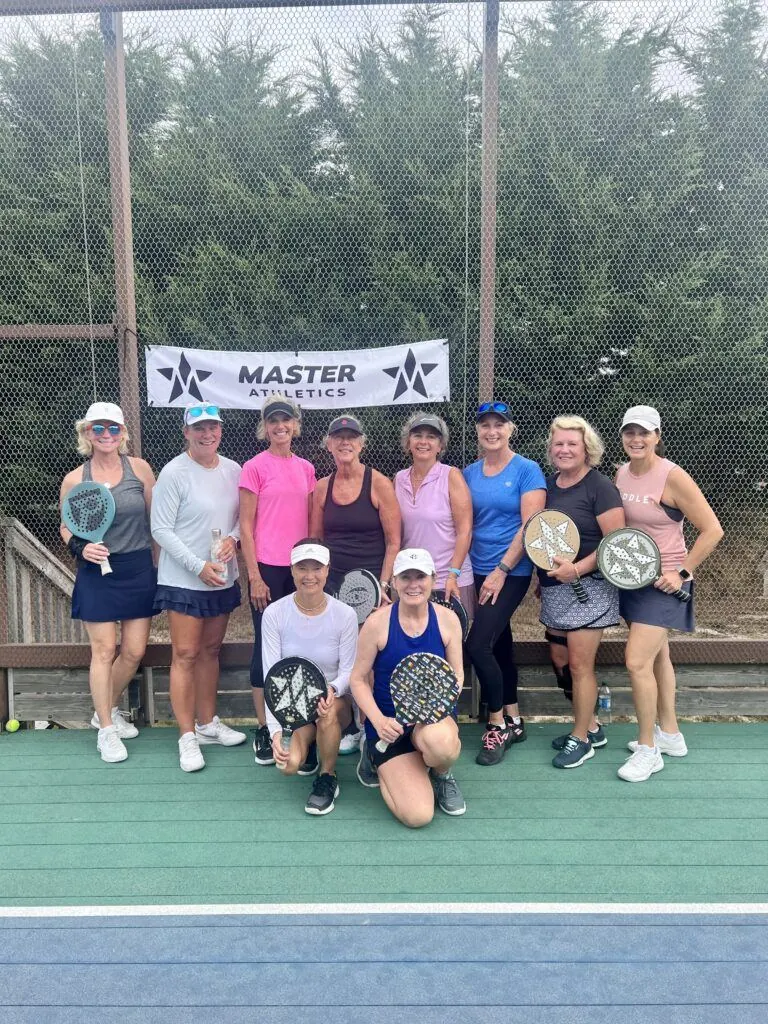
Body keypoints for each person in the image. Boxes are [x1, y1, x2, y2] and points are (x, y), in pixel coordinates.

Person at [615, 405, 723, 783]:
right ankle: (671, 734)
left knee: (635, 662)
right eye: (630, 432)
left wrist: (681, 572)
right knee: (658, 656)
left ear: (657, 437)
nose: (636, 439)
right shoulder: (621, 473)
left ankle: (649, 750)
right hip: (632, 581)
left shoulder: (672, 476)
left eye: (644, 433)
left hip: (665, 584)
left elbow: (712, 529)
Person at [151, 404, 246, 773]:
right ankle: (187, 736)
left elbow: (239, 518)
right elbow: (160, 529)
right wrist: (197, 566)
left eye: (213, 427)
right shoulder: (174, 473)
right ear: (186, 432)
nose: (207, 434)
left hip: (221, 576)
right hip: (184, 579)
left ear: (221, 430)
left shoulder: (233, 469)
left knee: (210, 650)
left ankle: (208, 724)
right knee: (186, 654)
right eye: (199, 428)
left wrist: (235, 540)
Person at [60, 401, 156, 764]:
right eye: (98, 428)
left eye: (113, 429)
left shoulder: (141, 470)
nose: (106, 435)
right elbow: (66, 525)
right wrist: (80, 548)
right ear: (87, 433)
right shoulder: (75, 479)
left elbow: (155, 523)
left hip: (138, 569)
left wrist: (159, 569)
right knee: (103, 651)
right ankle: (106, 729)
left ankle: (107, 708)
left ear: (122, 434)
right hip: (96, 573)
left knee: (133, 651)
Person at [351, 548, 466, 827]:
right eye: (406, 577)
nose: (413, 584)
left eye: (420, 577)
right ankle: (378, 757)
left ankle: (441, 775)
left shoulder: (448, 620)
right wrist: (379, 722)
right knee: (418, 816)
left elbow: (458, 676)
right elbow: (357, 679)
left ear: (433, 579)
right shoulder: (377, 623)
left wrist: (430, 709)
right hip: (388, 728)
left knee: (442, 745)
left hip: (431, 721)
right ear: (394, 580)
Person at [536, 416, 626, 769]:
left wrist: (577, 568)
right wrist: (538, 580)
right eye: (558, 444)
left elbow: (614, 542)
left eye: (572, 444)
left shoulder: (600, 487)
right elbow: (542, 536)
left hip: (590, 589)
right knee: (560, 661)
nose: (564, 449)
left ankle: (581, 739)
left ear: (587, 448)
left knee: (579, 664)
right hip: (555, 589)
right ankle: (592, 726)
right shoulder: (549, 486)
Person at [463, 401, 546, 766]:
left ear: (511, 429)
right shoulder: (468, 473)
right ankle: (514, 716)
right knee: (499, 643)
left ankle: (496, 724)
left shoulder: (527, 470)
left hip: (510, 571)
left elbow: (531, 525)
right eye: (485, 425)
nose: (492, 431)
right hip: (476, 569)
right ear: (478, 432)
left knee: (478, 644)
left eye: (499, 424)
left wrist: (502, 568)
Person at [239, 394, 316, 767]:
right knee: (265, 649)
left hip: (300, 570)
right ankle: (262, 726)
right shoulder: (253, 467)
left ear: (296, 426)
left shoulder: (306, 468)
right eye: (273, 421)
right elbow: (247, 528)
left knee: (300, 644)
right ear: (265, 427)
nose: (280, 426)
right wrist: (254, 575)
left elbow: (311, 523)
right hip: (267, 570)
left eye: (286, 420)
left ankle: (298, 725)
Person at [262, 539, 359, 815]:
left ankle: (327, 777)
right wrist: (276, 731)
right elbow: (272, 677)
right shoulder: (274, 614)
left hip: (335, 702)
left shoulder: (345, 615)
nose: (309, 576)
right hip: (296, 709)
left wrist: (331, 690)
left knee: (326, 715)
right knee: (288, 766)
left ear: (327, 570)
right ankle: (313, 743)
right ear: (291, 571)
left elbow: (349, 672)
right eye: (302, 568)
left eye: (316, 568)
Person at [310, 414, 401, 597]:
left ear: (361, 444)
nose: (345, 442)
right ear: (329, 445)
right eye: (338, 437)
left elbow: (393, 542)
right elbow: (316, 540)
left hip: (371, 580)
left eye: (351, 437)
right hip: (332, 580)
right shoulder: (322, 487)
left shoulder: (380, 483)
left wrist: (383, 586)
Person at [394, 412, 474, 609]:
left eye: (431, 437)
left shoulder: (451, 476)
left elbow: (465, 531)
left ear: (440, 446)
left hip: (446, 581)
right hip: (411, 580)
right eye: (417, 435)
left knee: (449, 639)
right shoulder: (398, 479)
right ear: (408, 442)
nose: (424, 442)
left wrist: (453, 575)